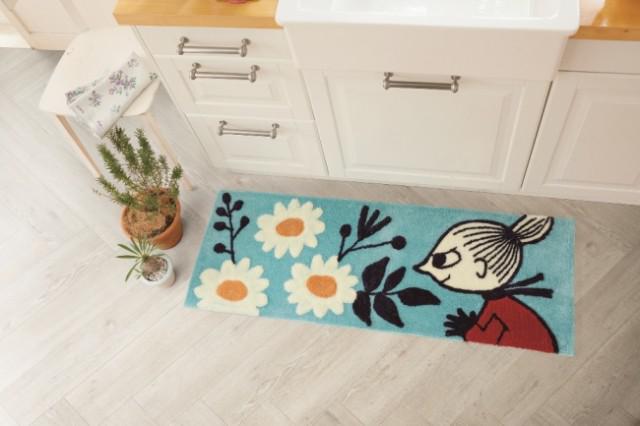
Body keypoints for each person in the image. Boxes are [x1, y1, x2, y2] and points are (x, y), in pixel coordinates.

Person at [413, 215, 558, 353]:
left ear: (480, 269)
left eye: (441, 260)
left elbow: (487, 337)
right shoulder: (502, 304)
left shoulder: (499, 308)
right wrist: (473, 326)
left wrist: (466, 330)